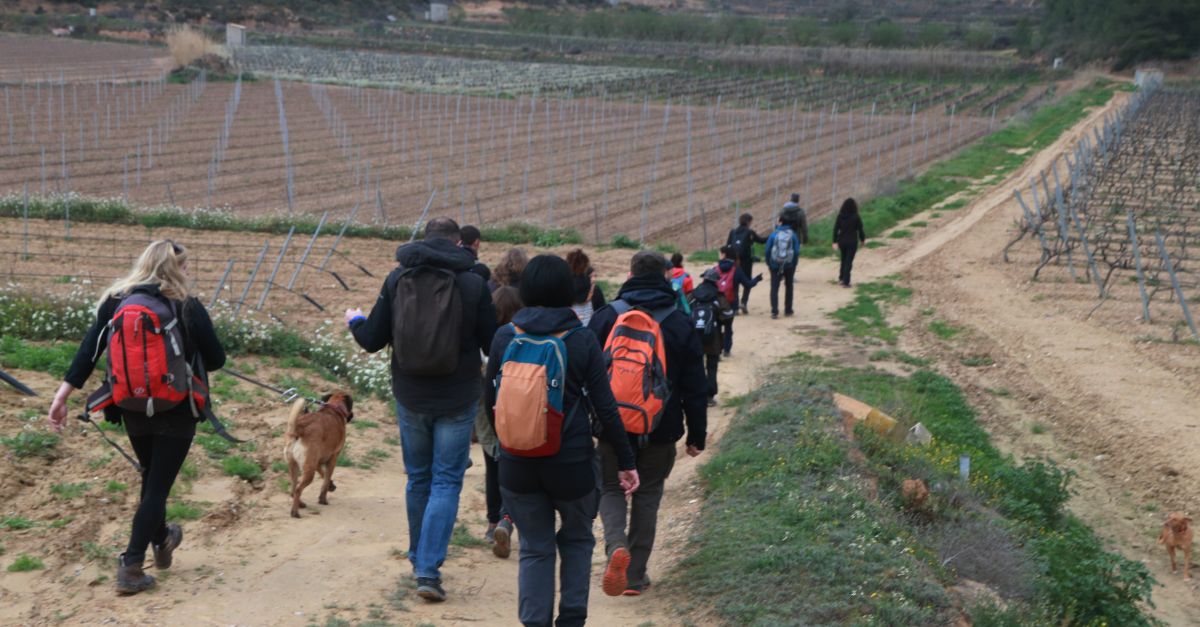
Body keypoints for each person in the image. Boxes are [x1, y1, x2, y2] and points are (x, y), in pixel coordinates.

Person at [47, 240, 226, 595]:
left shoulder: (117, 301)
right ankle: (131, 566)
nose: (187, 272)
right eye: (185, 266)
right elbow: (217, 358)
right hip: (177, 407)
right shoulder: (186, 305)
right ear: (174, 269)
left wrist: (61, 397)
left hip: (130, 405)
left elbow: (89, 351)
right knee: (157, 487)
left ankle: (162, 538)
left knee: (151, 480)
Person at [346, 217, 497, 603]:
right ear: (459, 244)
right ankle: (429, 569)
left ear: (423, 240)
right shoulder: (473, 283)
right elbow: (490, 341)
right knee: (447, 481)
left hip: (411, 393)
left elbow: (372, 340)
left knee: (418, 479)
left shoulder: (397, 279)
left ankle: (418, 559)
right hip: (458, 395)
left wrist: (356, 320)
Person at [484, 254, 640, 627]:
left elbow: (492, 402)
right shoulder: (581, 339)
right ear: (569, 291)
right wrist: (626, 460)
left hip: (518, 463)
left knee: (536, 548)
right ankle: (571, 620)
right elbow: (606, 408)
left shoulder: (505, 336)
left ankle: (534, 621)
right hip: (570, 462)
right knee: (577, 540)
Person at [588, 251, 707, 597]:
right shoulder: (680, 323)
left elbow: (584, 373)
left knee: (611, 487)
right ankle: (635, 577)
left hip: (612, 425)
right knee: (648, 495)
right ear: (668, 276)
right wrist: (696, 435)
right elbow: (695, 388)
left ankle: (615, 548)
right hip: (661, 426)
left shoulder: (606, 316)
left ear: (629, 274)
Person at [477, 284, 522, 559]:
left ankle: (493, 522)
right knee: (513, 465)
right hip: (516, 407)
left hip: (486, 408)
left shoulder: (488, 338)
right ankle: (508, 517)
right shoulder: (517, 337)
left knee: (491, 466)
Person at [688, 268, 734, 407]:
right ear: (716, 281)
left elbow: (684, 312)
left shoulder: (693, 295)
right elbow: (728, 316)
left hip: (694, 337)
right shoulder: (718, 297)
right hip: (713, 338)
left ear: (703, 279)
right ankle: (710, 396)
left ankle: (697, 393)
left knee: (697, 366)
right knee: (712, 366)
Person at [714, 245, 763, 358]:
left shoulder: (715, 269)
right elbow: (748, 284)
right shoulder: (737, 270)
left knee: (716, 327)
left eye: (719, 253)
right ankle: (726, 350)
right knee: (728, 327)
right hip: (730, 304)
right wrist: (757, 279)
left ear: (724, 255)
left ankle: (717, 349)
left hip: (716, 303)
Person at [725, 213, 766, 314]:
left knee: (735, 284)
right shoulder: (749, 232)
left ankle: (735, 307)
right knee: (747, 282)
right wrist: (773, 235)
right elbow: (761, 241)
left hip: (734, 262)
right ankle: (743, 302)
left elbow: (727, 246)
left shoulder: (733, 232)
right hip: (747, 262)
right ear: (748, 222)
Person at [764, 218, 801, 319]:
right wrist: (794, 263)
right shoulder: (793, 235)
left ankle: (774, 311)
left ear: (780, 222)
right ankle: (788, 310)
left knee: (774, 287)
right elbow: (797, 251)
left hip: (775, 264)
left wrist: (768, 262)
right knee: (789, 286)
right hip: (789, 265)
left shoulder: (773, 235)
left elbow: (767, 250)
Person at [565, 248, 606, 325]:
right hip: (590, 333)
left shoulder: (561, 289)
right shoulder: (594, 290)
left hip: (566, 334)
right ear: (586, 267)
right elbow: (602, 317)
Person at [832, 198, 867, 288]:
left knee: (843, 259)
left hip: (842, 241)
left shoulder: (840, 216)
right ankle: (846, 281)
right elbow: (860, 230)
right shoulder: (856, 217)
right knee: (849, 261)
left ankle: (841, 278)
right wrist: (862, 240)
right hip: (852, 241)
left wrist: (834, 241)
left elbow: (835, 229)